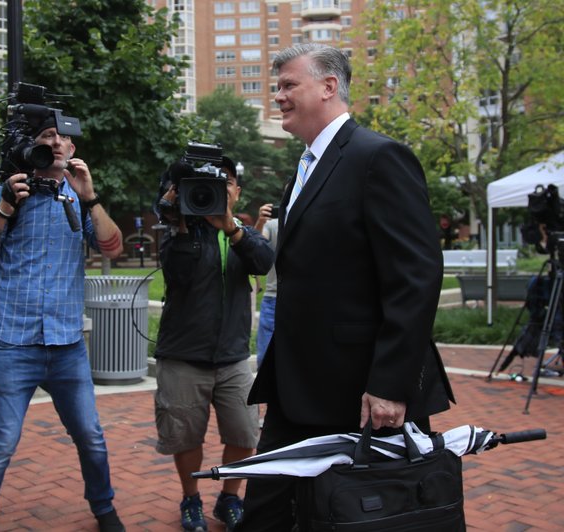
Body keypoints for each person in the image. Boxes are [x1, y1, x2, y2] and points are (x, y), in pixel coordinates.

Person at [238, 44, 455, 531]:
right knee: (265, 513)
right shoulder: (305, 165)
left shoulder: (378, 157)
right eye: (277, 87)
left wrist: (389, 385)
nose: (278, 97)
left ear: (329, 86)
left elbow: (415, 276)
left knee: (361, 514)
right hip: (298, 387)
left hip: (360, 394)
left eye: (289, 85)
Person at [0, 119, 126, 532]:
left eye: (62, 137)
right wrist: (3, 210)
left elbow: (113, 246)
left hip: (67, 342)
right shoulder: (10, 194)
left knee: (90, 435)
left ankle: (104, 508)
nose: (55, 143)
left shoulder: (78, 196)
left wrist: (90, 198)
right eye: (46, 138)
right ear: (32, 148)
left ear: (72, 148)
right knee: (0, 444)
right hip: (12, 343)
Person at [154, 157, 273, 531]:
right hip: (183, 356)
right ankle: (191, 500)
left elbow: (263, 261)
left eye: (227, 184)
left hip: (233, 356)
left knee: (244, 432)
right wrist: (184, 223)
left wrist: (231, 228)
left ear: (236, 192)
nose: (217, 193)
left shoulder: (243, 231)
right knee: (185, 435)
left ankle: (229, 498)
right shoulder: (178, 232)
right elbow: (179, 274)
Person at [253, 204, 278, 368]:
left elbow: (255, 247)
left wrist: (260, 223)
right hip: (293, 300)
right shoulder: (311, 222)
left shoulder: (271, 225)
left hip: (272, 298)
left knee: (264, 357)